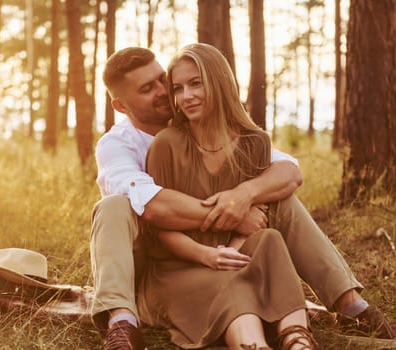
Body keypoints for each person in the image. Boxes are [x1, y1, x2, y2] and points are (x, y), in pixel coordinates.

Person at [91, 46, 395, 350]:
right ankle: (122, 322)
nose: (163, 91)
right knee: (113, 206)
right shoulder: (117, 145)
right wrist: (233, 212)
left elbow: (287, 172)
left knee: (280, 199)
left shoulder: (200, 123)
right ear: (120, 106)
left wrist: (243, 195)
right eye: (147, 89)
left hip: (219, 241)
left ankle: (351, 305)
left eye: (161, 80)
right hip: (151, 254)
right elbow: (153, 205)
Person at [136, 42, 317, 350]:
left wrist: (231, 252)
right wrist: (208, 256)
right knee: (233, 282)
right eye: (178, 89)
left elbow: (256, 218)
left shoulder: (255, 142)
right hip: (175, 271)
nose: (186, 96)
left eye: (196, 83)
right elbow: (160, 230)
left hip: (232, 257)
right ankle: (253, 345)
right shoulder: (167, 144)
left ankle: (296, 338)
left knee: (270, 240)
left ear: (219, 81)